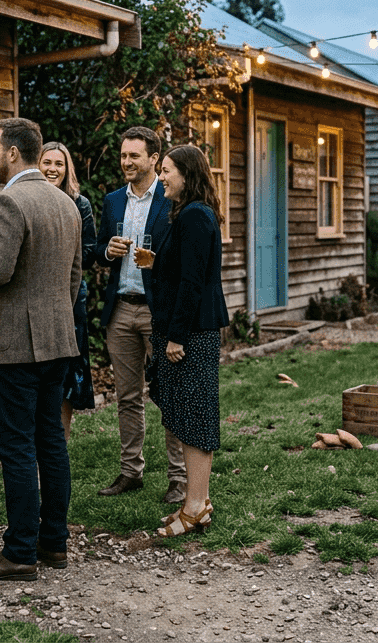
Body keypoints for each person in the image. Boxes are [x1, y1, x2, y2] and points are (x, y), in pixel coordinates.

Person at [0, 118, 81, 580]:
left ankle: (20, 552)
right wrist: (53, 319)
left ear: (11, 152)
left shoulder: (9, 201)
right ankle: (54, 543)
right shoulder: (65, 202)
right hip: (57, 341)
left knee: (16, 448)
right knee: (51, 442)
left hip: (14, 346)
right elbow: (73, 278)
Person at [93, 127, 185, 503]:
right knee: (127, 396)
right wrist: (107, 250)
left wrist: (158, 261)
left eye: (134, 155)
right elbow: (97, 248)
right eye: (123, 155)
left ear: (153, 159)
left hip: (155, 310)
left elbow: (182, 256)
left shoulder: (170, 198)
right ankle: (131, 471)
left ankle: (179, 477)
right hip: (120, 309)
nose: (127, 162)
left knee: (170, 393)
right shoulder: (113, 200)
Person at [145, 145, 229, 537]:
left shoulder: (195, 215)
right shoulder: (192, 212)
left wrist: (176, 337)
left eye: (166, 170)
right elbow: (183, 270)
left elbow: (192, 283)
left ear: (187, 173)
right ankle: (199, 501)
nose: (161, 177)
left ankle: (194, 508)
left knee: (194, 420)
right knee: (190, 416)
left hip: (191, 334)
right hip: (190, 331)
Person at [39, 141, 97, 441]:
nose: (52, 169)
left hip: (70, 298)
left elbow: (88, 252)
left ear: (67, 169)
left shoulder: (79, 204)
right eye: (47, 162)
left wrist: (54, 259)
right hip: (35, 297)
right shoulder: (29, 200)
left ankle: (60, 442)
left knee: (67, 372)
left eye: (58, 164)